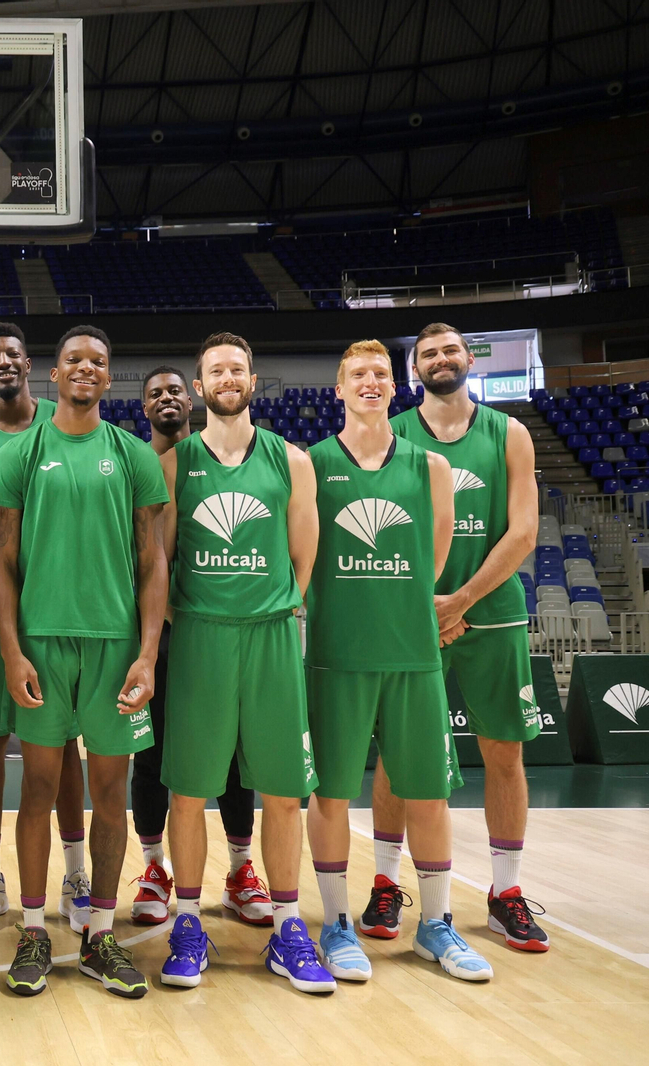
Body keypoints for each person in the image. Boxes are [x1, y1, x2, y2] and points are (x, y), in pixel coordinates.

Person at [304, 339, 493, 983]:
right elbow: (306, 557)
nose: (370, 382)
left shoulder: (431, 467)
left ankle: (434, 927)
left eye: (381, 374)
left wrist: (404, 603)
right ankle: (334, 924)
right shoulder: (313, 464)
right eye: (357, 374)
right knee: (330, 793)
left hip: (413, 655)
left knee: (429, 793)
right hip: (337, 654)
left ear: (396, 386)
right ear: (339, 388)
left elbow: (434, 558)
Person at [0, 324, 167, 998]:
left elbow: (153, 564)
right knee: (37, 789)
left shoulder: (132, 456)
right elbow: (2, 565)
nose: (86, 368)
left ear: (107, 374)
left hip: (116, 647)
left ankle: (98, 934)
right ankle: (34, 930)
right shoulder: (20, 454)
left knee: (110, 793)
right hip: (42, 644)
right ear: (54, 374)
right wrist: (11, 650)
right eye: (74, 360)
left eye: (98, 359)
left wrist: (148, 655)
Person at [154, 333, 332, 993]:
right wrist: (186, 619)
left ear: (252, 379)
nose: (228, 378)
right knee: (189, 792)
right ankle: (188, 923)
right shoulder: (178, 464)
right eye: (215, 371)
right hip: (201, 636)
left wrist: (274, 606)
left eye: (237, 369)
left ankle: (288, 927)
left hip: (271, 635)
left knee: (285, 794)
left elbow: (302, 556)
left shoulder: (293, 460)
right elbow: (161, 561)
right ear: (198, 389)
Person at [373, 323, 545, 952]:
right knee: (397, 755)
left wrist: (462, 599)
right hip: (414, 621)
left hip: (491, 612)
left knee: (504, 752)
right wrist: (425, 605)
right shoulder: (395, 436)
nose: (441, 359)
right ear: (413, 367)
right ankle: (387, 886)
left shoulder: (511, 433)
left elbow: (524, 531)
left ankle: (505, 894)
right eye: (427, 353)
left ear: (468, 359)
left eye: (450, 350)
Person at [0, 321, 90, 936]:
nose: (3, 360)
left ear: (30, 364)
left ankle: (76, 872)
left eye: (12, 352)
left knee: (62, 747)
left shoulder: (66, 422)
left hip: (61, 604)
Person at [129, 364, 272, 927]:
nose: (165, 398)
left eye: (173, 389)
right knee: (154, 754)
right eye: (153, 393)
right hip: (157, 635)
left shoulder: (225, 457)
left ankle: (240, 870)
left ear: (192, 398)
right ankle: (155, 869)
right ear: (143, 408)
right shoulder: (140, 465)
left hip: (221, 634)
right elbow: (145, 558)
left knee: (236, 756)